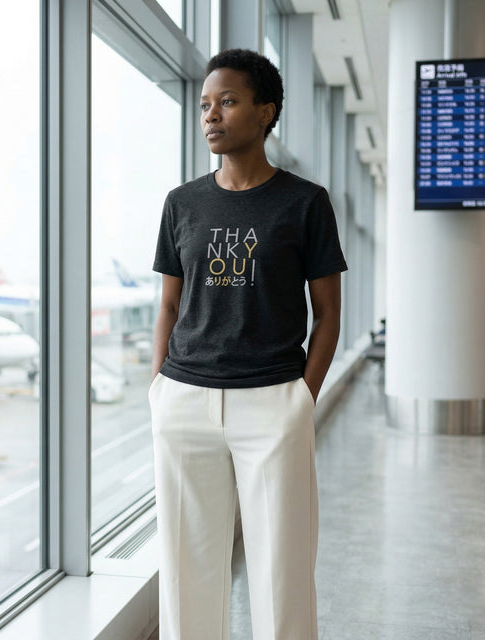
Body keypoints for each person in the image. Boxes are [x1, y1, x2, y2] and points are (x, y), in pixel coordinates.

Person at [148, 49, 347, 640]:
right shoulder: (182, 203)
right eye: (206, 104)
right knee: (187, 571)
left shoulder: (305, 202)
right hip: (184, 401)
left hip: (271, 403)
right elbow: (168, 303)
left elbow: (329, 314)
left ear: (266, 112)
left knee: (282, 571)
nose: (212, 114)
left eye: (228, 102)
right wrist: (160, 385)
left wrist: (300, 400)